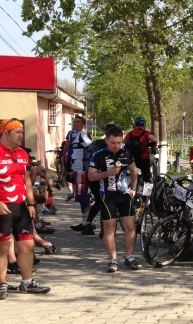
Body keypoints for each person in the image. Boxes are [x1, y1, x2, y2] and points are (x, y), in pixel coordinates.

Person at [0, 118, 50, 300]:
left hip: (20, 206)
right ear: (5, 133)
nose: (22, 135)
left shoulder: (22, 153)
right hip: (0, 206)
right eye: (18, 132)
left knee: (28, 245)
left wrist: (31, 204)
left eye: (22, 132)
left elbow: (26, 180)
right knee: (2, 246)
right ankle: (1, 283)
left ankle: (27, 282)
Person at [89, 125, 140, 272]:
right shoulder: (98, 155)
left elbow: (134, 170)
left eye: (119, 142)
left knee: (130, 227)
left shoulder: (126, 153)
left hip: (124, 195)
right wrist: (107, 173)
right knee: (109, 228)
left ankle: (129, 257)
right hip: (107, 196)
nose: (116, 145)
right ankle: (113, 259)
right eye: (113, 142)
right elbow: (91, 176)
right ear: (106, 140)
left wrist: (133, 188)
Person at [63, 115, 94, 231]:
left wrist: (87, 165)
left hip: (82, 170)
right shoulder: (73, 134)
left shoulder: (83, 135)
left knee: (81, 196)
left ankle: (88, 223)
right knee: (80, 196)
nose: (75, 124)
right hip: (76, 170)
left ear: (83, 125)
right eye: (74, 122)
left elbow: (91, 147)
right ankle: (84, 222)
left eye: (78, 122)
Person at [124, 116, 157, 183]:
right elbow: (154, 139)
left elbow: (124, 141)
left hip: (133, 159)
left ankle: (134, 186)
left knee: (133, 173)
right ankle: (146, 187)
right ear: (144, 124)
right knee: (146, 176)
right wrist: (150, 144)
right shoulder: (146, 133)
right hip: (144, 158)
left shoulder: (130, 133)